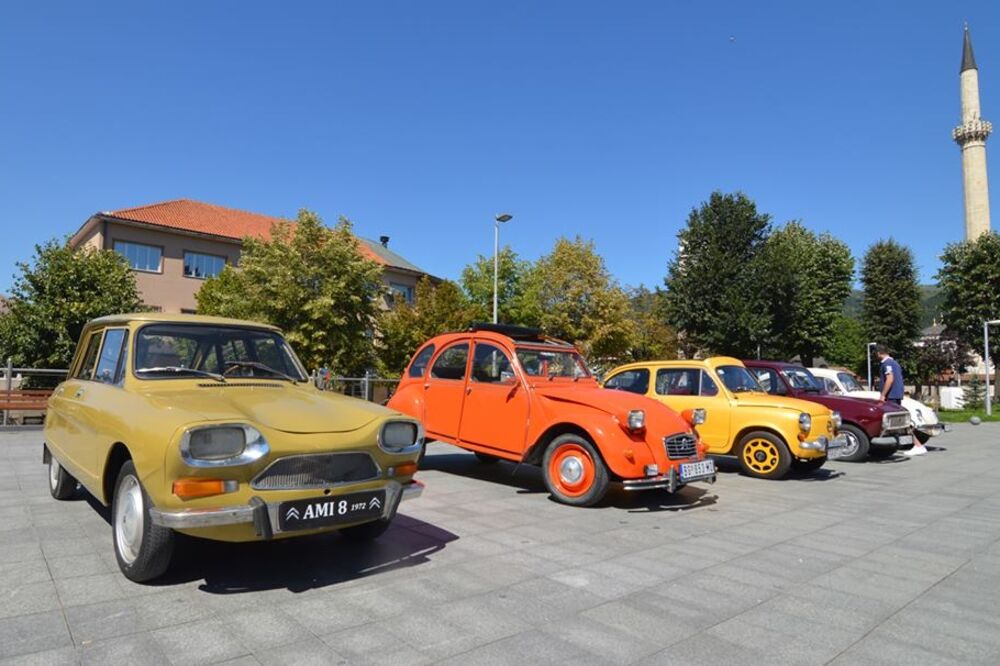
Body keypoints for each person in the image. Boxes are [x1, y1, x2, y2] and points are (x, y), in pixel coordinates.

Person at [876, 344, 927, 456]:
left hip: (891, 396)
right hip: (896, 394)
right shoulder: (895, 363)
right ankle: (909, 444)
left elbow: (890, 379)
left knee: (897, 421)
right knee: (898, 422)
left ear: (879, 353)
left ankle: (918, 445)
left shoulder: (887, 364)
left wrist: (883, 395)